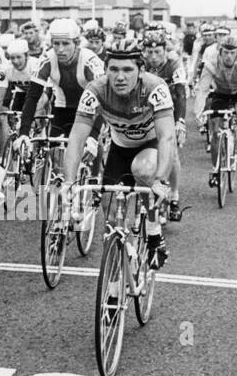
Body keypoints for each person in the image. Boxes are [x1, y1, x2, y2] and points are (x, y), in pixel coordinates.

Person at [64, 35, 174, 269]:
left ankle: (154, 233)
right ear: (106, 70)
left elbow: (167, 137)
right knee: (111, 221)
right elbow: (76, 138)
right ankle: (113, 289)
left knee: (142, 170)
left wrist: (161, 180)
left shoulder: (155, 88)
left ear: (140, 70)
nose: (120, 76)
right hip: (119, 148)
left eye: (127, 69)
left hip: (150, 146)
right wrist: (69, 183)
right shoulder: (96, 90)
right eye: (113, 69)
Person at [17, 18, 104, 141]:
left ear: (77, 43)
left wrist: (93, 137)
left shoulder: (90, 60)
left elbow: (101, 101)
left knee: (89, 147)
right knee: (53, 148)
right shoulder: (47, 59)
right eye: (56, 44)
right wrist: (24, 133)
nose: (60, 49)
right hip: (62, 107)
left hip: (89, 110)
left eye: (66, 43)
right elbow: (32, 97)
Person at [194, 34, 237, 184]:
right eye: (226, 53)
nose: (229, 56)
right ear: (220, 52)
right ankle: (215, 169)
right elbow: (202, 90)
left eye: (232, 53)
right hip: (220, 94)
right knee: (215, 132)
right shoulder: (211, 63)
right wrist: (199, 112)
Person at [141, 30, 188, 221]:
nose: (153, 57)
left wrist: (180, 122)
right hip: (147, 111)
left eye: (158, 52)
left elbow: (181, 95)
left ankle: (175, 196)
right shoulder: (141, 64)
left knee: (171, 152)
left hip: (169, 109)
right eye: (149, 52)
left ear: (165, 50)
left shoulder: (174, 63)